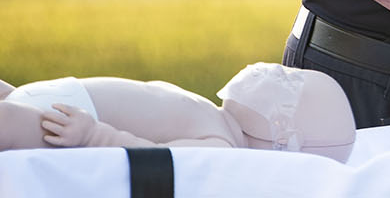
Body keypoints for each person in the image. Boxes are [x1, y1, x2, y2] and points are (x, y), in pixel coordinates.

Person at [0, 64, 355, 162]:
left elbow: (158, 158)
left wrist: (96, 136)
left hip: (69, 118)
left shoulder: (221, 148)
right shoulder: (212, 115)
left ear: (284, 137)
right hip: (63, 101)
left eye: (288, 83)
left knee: (11, 122)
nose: (276, 71)